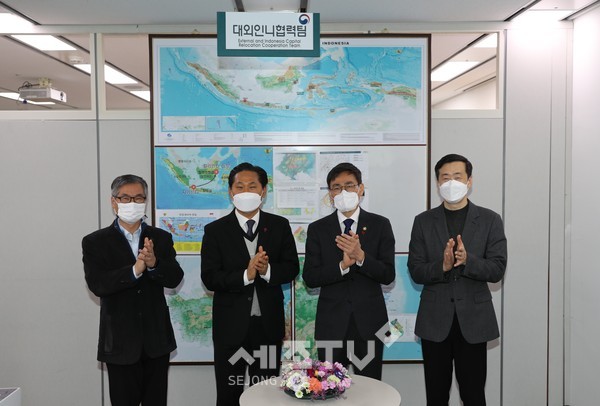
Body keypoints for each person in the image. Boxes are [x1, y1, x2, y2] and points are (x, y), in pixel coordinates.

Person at [408, 154, 508, 406]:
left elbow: (497, 268)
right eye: (445, 177)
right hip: (435, 320)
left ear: (469, 181)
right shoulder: (422, 221)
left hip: (473, 320)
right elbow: (416, 270)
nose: (451, 182)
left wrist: (468, 261)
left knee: (473, 395)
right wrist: (441, 266)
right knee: (436, 395)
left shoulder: (490, 219)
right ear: (437, 182)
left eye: (457, 176)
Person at [201, 162, 299, 406]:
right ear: (231, 192)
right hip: (230, 330)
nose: (245, 191)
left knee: (265, 395)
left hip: (267, 329)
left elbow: (291, 267)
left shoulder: (279, 225)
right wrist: (247, 275)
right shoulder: (215, 231)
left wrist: (267, 271)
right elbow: (210, 277)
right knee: (229, 393)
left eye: (252, 186)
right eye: (239, 186)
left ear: (263, 191)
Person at [82, 174, 184, 406]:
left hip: (156, 341)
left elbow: (175, 277)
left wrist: (154, 264)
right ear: (113, 202)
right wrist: (135, 269)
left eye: (138, 198)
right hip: (120, 342)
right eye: (125, 198)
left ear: (145, 201)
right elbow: (97, 284)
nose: (132, 203)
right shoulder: (95, 242)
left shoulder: (160, 237)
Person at [303, 162, 395, 380]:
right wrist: (343, 266)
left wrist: (361, 257)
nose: (343, 192)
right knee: (329, 389)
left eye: (349, 185)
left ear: (361, 189)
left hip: (370, 325)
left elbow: (388, 274)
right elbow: (310, 277)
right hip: (331, 326)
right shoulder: (318, 229)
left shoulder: (380, 224)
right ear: (330, 193)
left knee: (372, 392)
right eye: (336, 187)